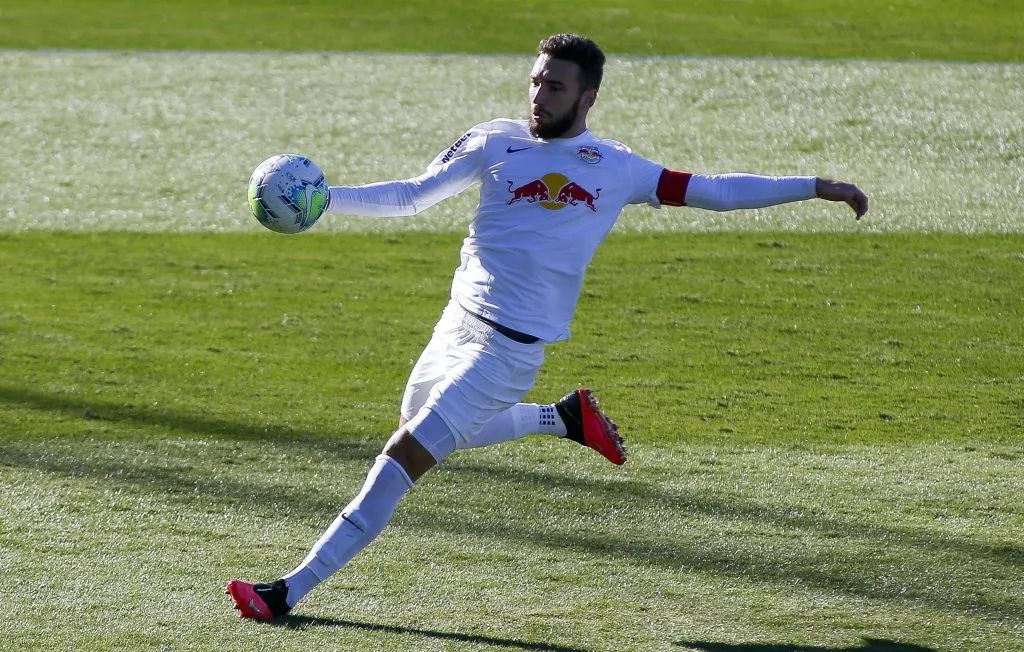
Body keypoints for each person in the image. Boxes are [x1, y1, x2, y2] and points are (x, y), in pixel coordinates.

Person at [226, 33, 869, 620]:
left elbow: (718, 190)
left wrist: (816, 186)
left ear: (587, 96)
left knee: (401, 460)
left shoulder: (616, 167)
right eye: (536, 80)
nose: (540, 94)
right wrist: (325, 199)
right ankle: (563, 419)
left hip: (507, 354)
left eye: (555, 86)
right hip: (456, 326)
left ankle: (287, 590)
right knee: (415, 429)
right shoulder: (492, 141)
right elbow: (411, 194)